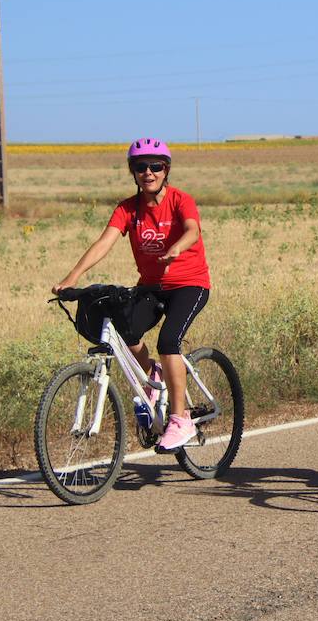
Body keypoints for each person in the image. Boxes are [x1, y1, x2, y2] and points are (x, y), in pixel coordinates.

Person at [52, 138, 212, 449]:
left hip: (189, 284)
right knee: (124, 329)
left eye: (155, 166)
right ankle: (152, 372)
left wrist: (176, 248)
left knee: (169, 341)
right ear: (133, 172)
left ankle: (180, 421)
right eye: (141, 167)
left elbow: (192, 230)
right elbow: (104, 242)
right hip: (152, 287)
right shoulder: (128, 209)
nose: (148, 173)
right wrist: (71, 277)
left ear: (166, 170)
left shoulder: (181, 200)